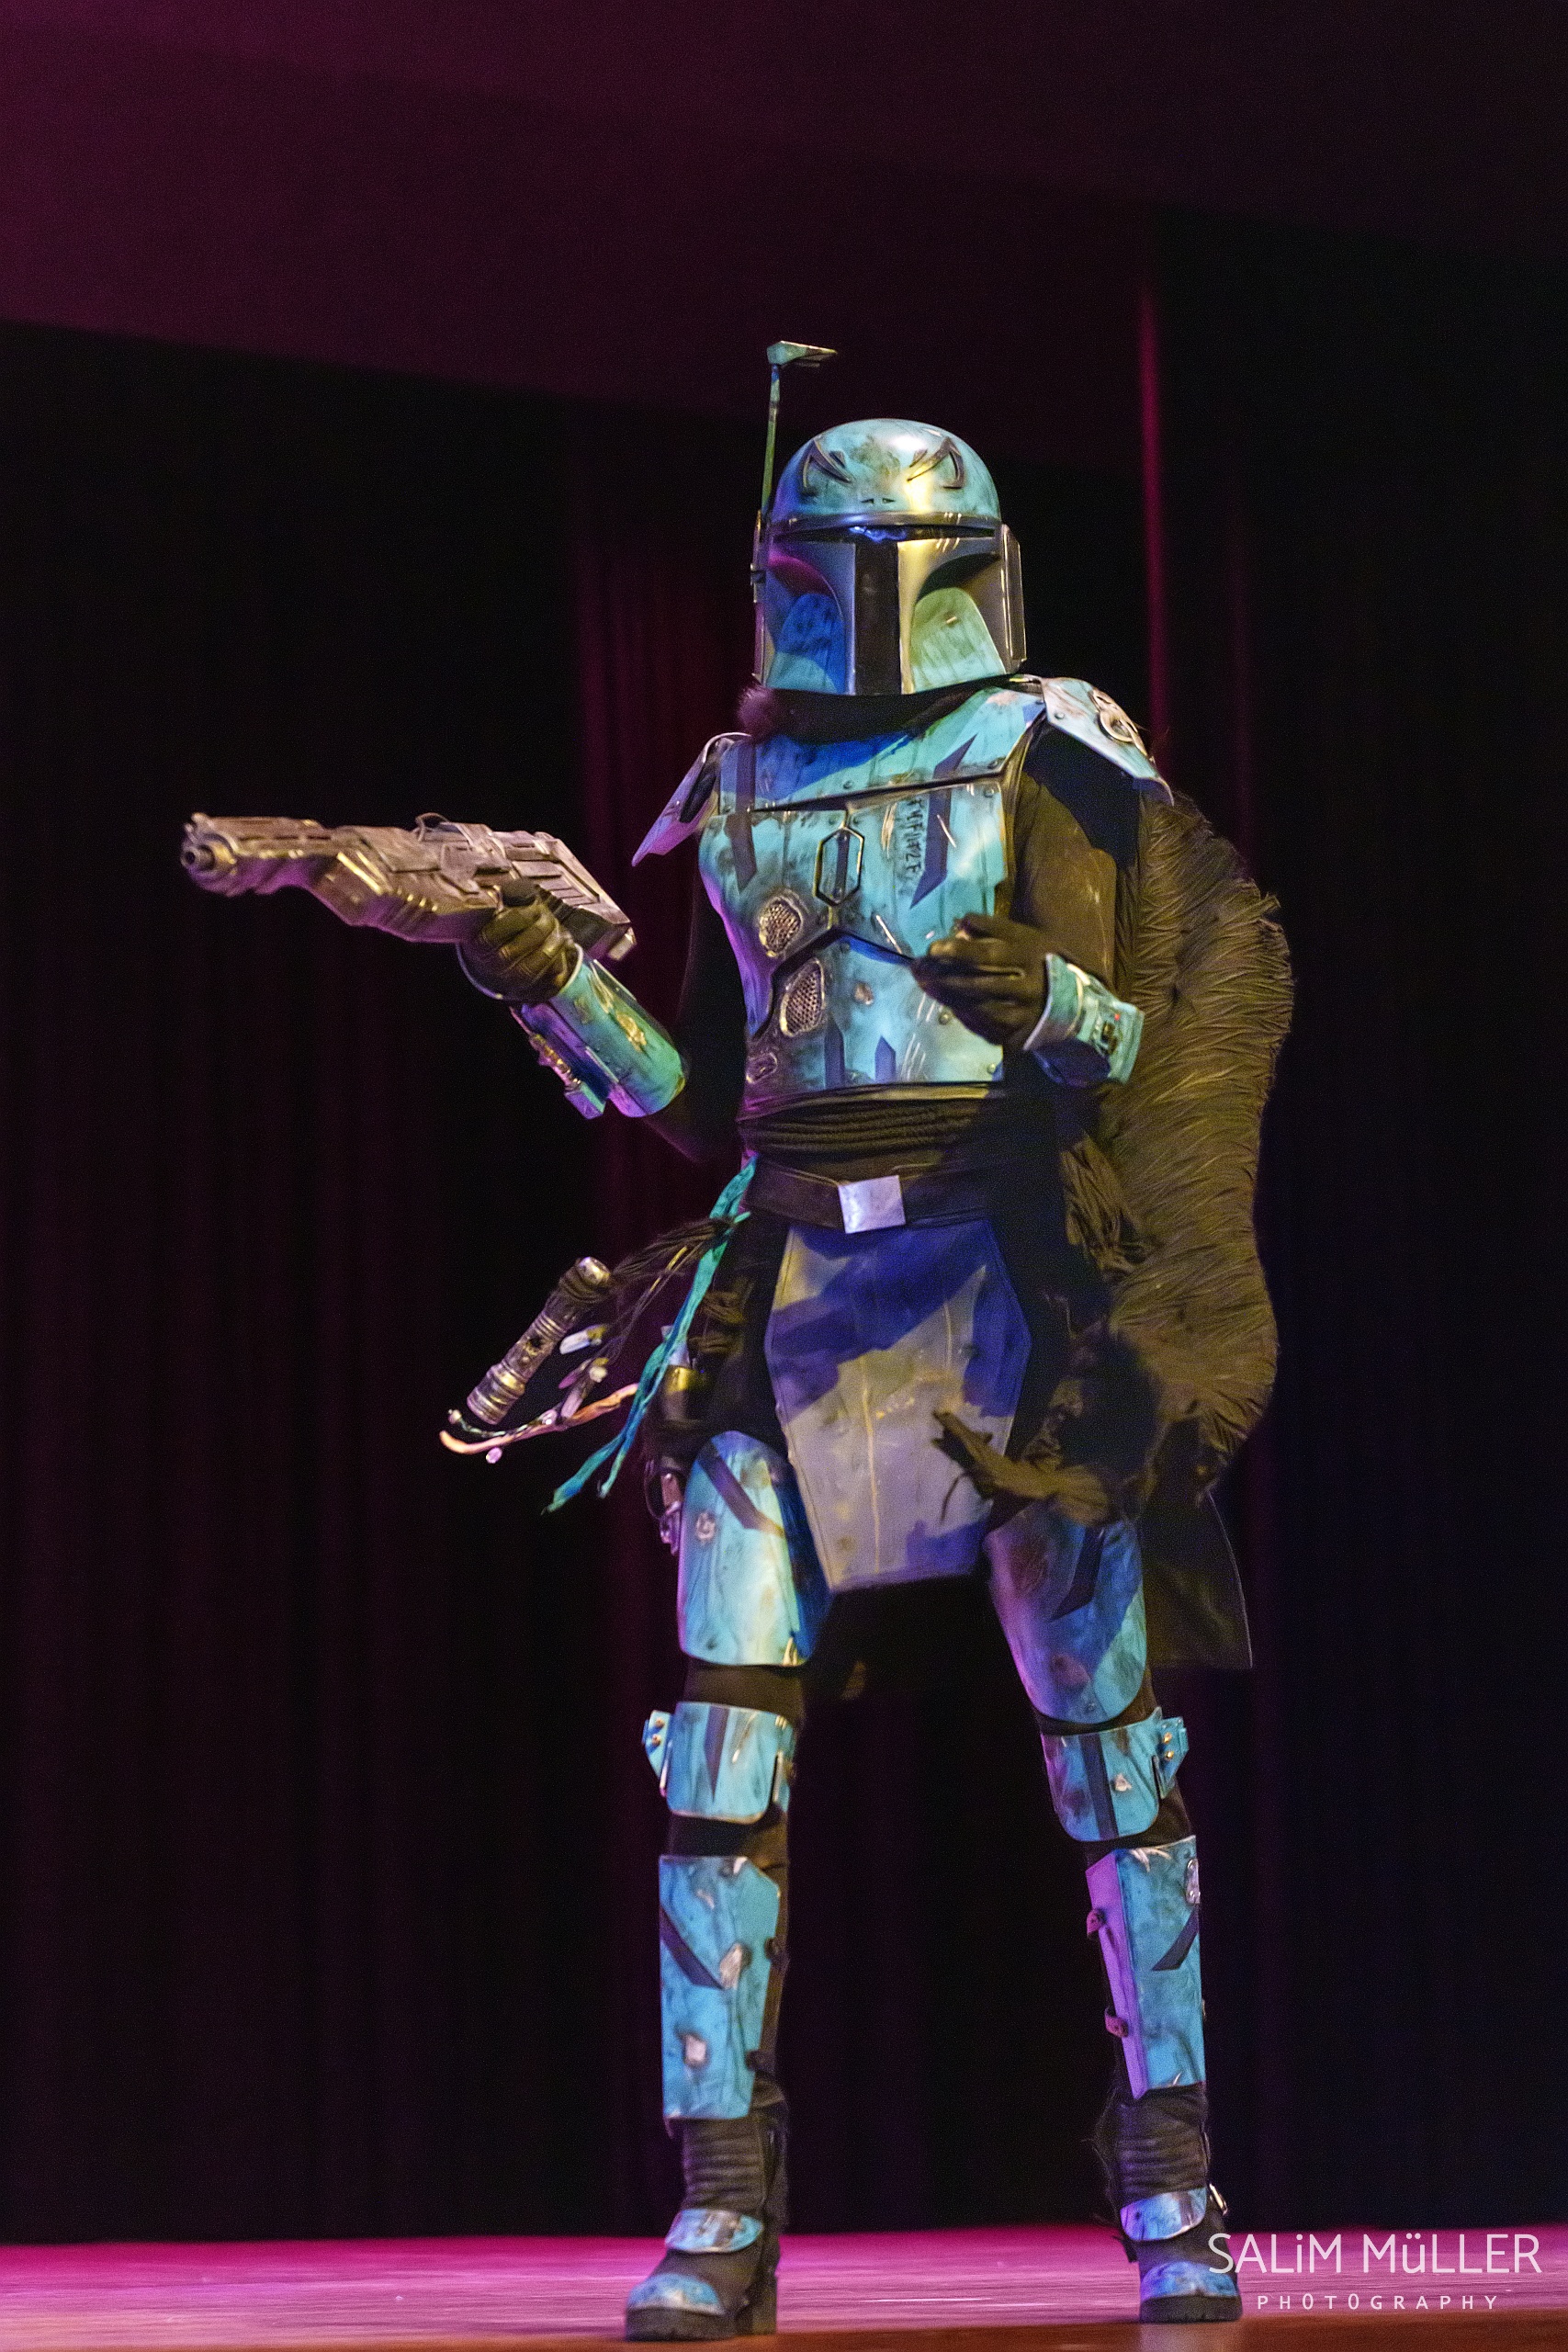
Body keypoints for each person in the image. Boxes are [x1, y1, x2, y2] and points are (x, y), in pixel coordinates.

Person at [455, 417, 1291, 2335]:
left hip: (1010, 1284)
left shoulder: (1049, 746)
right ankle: (719, 2206)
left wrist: (1057, 1006)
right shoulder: (737, 783)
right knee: (718, 1757)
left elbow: (1171, 1039)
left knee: (1112, 1754)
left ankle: (1173, 2180)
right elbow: (698, 1096)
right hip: (793, 1285)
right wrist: (546, 984)